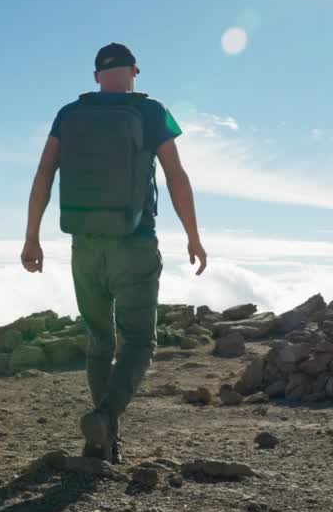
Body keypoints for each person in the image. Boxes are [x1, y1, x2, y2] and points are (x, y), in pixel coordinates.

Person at [20, 42, 207, 463]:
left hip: (84, 245)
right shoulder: (152, 111)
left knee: (99, 341)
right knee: (139, 340)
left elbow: (44, 172)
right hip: (134, 244)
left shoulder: (69, 114)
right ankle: (105, 417)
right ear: (134, 72)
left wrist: (32, 237)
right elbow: (176, 175)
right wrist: (193, 236)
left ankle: (102, 441)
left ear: (96, 77)